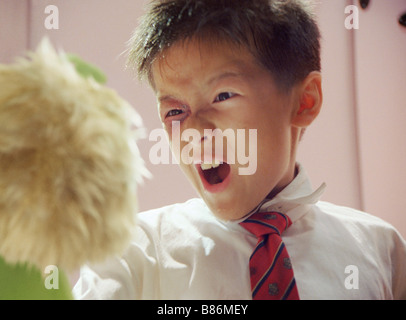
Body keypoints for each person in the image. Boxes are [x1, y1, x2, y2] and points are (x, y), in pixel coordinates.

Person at [73, 0, 406, 300]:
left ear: (305, 100)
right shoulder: (133, 254)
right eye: (175, 111)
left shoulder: (382, 251)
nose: (193, 130)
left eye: (222, 96)